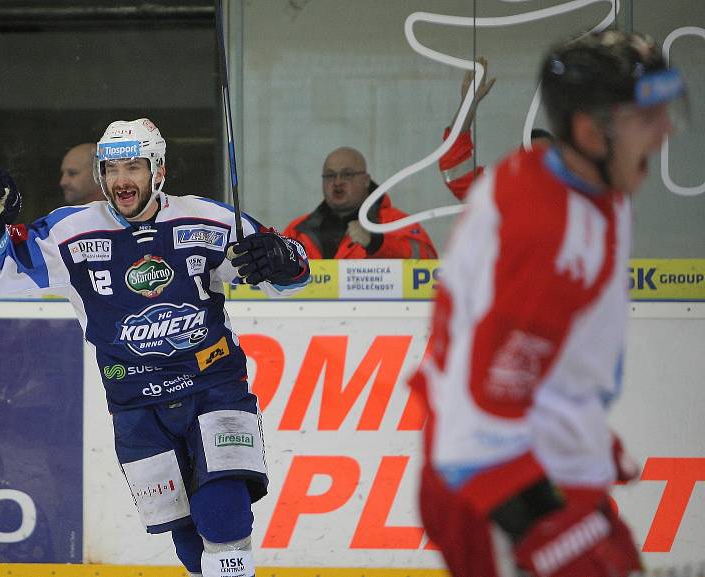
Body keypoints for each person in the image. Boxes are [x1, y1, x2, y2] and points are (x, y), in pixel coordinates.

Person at [0, 118, 310, 577]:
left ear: (158, 171)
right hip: (135, 405)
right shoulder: (69, 232)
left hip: (214, 385)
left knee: (224, 513)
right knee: (187, 538)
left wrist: (283, 259)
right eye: (111, 168)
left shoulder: (209, 218)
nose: (122, 179)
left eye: (134, 166)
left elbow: (290, 275)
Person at [410, 31, 686, 577]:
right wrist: (542, 524)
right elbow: (479, 417)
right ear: (590, 132)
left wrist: (580, 432)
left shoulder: (577, 185)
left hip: (540, 459)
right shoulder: (553, 238)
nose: (666, 132)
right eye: (647, 118)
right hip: (495, 480)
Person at [283, 146, 438, 259]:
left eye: (347, 174)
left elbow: (429, 263)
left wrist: (377, 243)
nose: (337, 182)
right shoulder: (298, 231)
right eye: (330, 176)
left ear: (366, 181)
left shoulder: (395, 223)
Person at [438, 58, 555, 201]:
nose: (537, 163)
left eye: (545, 156)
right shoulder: (502, 188)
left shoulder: (576, 197)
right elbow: (455, 169)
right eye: (531, 156)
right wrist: (468, 104)